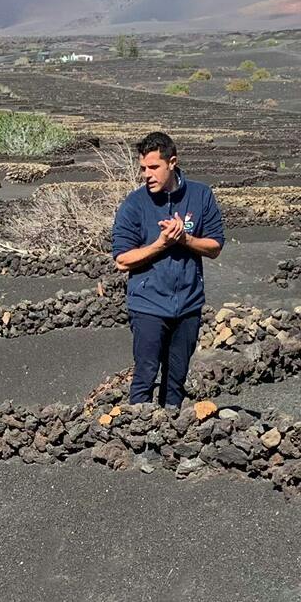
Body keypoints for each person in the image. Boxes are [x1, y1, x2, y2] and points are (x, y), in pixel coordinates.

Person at [111, 130, 225, 406]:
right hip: (148, 304)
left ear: (172, 162)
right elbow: (121, 259)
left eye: (153, 167)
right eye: (142, 168)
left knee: (176, 379)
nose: (146, 175)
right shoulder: (135, 204)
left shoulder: (200, 195)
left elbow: (215, 247)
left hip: (188, 304)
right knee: (145, 376)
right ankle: (138, 437)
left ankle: (170, 433)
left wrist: (184, 239)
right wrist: (161, 244)